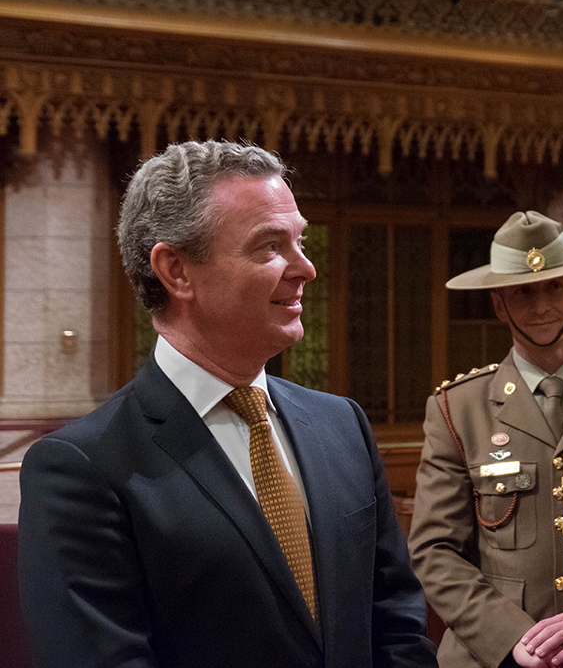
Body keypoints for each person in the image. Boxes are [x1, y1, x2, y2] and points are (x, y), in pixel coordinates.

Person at [18, 141, 438, 668]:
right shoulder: (82, 468)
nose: (305, 268)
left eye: (299, 241)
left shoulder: (342, 425)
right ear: (176, 271)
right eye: (269, 247)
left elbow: (396, 626)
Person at [409, 211, 563, 668]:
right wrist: (517, 641)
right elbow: (435, 552)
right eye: (523, 291)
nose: (541, 305)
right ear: (499, 305)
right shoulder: (457, 410)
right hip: (497, 657)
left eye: (554, 286)